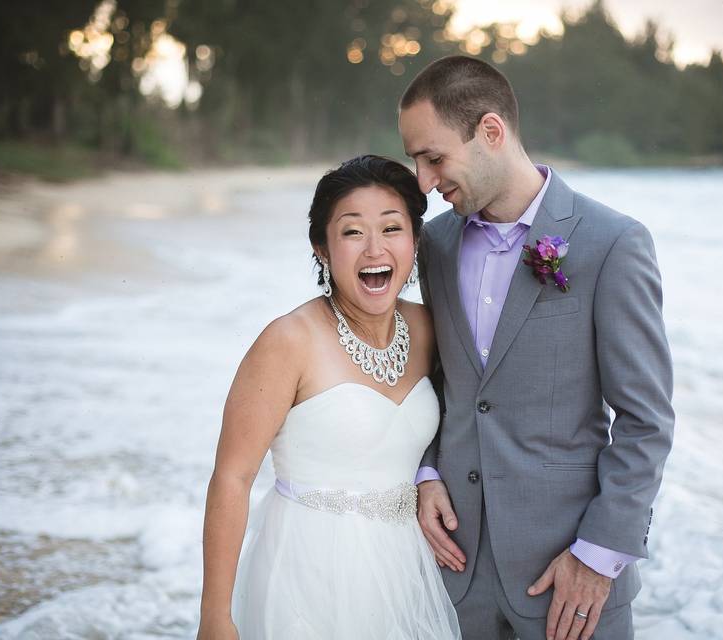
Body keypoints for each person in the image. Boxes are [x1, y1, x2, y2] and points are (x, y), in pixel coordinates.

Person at [398, 56, 674, 640]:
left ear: (491, 132)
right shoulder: (437, 244)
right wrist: (425, 472)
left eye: (434, 158)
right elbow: (436, 382)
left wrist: (599, 557)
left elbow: (646, 421)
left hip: (571, 584)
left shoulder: (612, 243)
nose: (423, 182)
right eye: (414, 161)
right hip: (454, 575)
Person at [196, 155, 461, 640]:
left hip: (405, 567)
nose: (374, 248)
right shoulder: (287, 341)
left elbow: (457, 422)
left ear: (415, 241)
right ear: (323, 247)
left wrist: (428, 478)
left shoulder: (427, 328)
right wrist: (215, 617)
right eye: (352, 232)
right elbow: (232, 478)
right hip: (307, 570)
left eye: (391, 228)